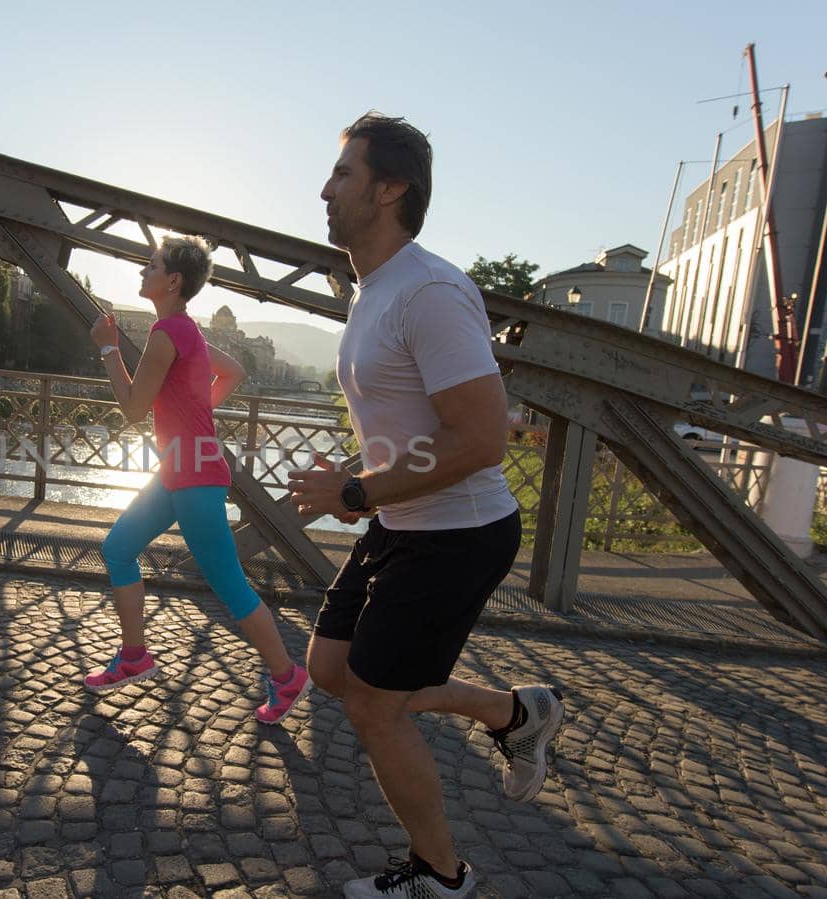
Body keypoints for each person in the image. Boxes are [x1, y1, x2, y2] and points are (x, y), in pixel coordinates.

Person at [287, 112, 565, 899]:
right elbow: (409, 425)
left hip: (460, 531)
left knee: (375, 707)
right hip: (402, 521)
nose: (325, 189)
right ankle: (514, 712)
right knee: (332, 667)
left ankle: (442, 876)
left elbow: (481, 439)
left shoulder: (431, 290)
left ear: (391, 188)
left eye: (342, 175)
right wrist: (352, 475)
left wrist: (355, 490)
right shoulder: (374, 291)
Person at [83, 235, 313, 725]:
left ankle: (288, 675)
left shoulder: (167, 334)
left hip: (193, 477)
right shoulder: (185, 332)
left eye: (151, 266)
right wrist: (193, 410)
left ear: (173, 281)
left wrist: (107, 350)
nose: (143, 272)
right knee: (119, 548)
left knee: (229, 586)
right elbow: (232, 373)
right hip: (178, 470)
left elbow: (131, 409)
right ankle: (134, 656)